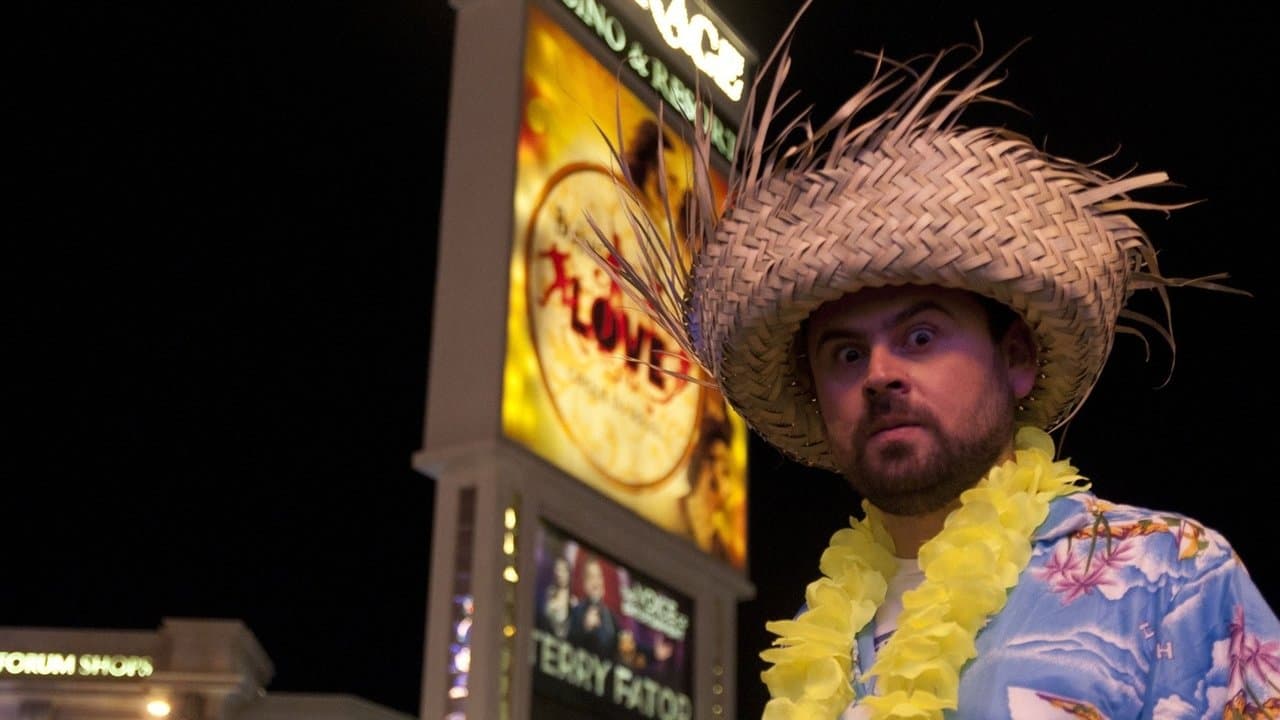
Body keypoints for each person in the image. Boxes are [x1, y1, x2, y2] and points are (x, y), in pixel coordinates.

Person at [583, 5, 1280, 718]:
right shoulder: (820, 644)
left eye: (919, 337)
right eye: (846, 353)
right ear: (817, 399)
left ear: (1016, 359)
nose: (879, 374)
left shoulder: (1171, 577)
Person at [567, 555, 619, 661]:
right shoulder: (575, 611)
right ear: (584, 583)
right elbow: (567, 643)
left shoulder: (612, 616)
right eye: (591, 577)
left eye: (599, 577)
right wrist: (585, 628)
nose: (596, 582)